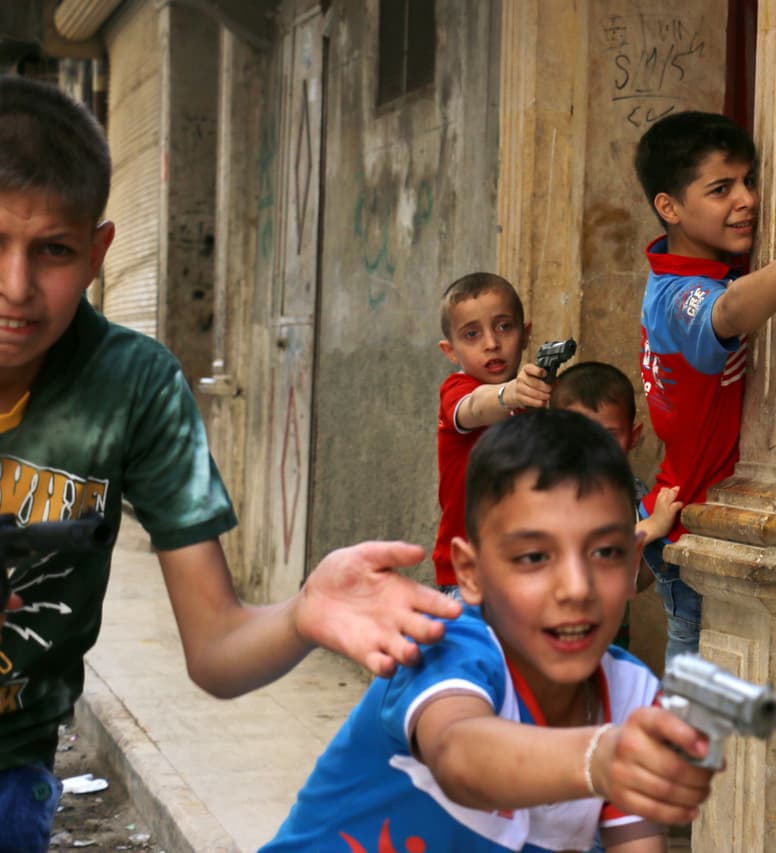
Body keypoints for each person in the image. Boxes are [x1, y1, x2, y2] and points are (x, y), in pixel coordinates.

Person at [0, 76, 461, 853]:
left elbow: (217, 651)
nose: (16, 288)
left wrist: (303, 613)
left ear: (98, 252)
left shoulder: (132, 384)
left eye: (52, 250)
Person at [263, 409, 718, 852]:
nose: (577, 589)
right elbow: (459, 754)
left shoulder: (631, 693)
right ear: (471, 573)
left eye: (605, 553)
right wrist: (598, 758)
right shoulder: (449, 643)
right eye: (534, 558)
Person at [632, 110, 776, 664]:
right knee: (692, 711)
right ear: (669, 207)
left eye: (750, 181)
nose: (747, 199)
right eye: (721, 188)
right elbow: (724, 313)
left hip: (695, 520)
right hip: (690, 528)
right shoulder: (674, 293)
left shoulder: (713, 272)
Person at [434, 272, 556, 598]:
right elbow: (474, 407)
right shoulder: (456, 391)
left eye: (504, 326)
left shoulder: (536, 398)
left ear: (526, 332)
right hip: (470, 577)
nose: (491, 343)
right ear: (450, 351)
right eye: (471, 334)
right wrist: (510, 395)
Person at [549, 361, 682, 649]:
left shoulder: (630, 494)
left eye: (608, 436)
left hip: (608, 642)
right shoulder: (549, 495)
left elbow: (632, 580)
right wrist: (652, 527)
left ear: (633, 437)